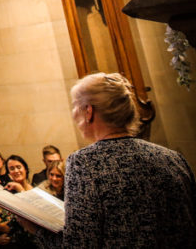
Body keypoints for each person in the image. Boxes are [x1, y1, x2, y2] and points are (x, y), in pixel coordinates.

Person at [26, 72, 196, 248]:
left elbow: (80, 244)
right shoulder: (172, 157)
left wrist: (36, 231)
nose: (74, 113)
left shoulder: (84, 163)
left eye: (75, 106)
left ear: (88, 111)